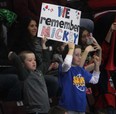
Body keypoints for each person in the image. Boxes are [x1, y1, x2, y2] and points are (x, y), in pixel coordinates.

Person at [8, 36, 50, 114]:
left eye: (34, 60)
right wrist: (11, 54)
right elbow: (17, 60)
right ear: (23, 64)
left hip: (46, 110)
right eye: (30, 60)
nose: (34, 62)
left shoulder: (39, 72)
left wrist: (43, 44)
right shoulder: (25, 75)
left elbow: (46, 61)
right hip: (34, 111)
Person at [58, 42, 100, 114]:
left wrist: (96, 66)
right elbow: (67, 63)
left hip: (81, 108)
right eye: (77, 55)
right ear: (69, 55)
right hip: (67, 108)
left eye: (80, 54)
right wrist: (71, 49)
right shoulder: (64, 68)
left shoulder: (81, 70)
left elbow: (95, 80)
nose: (80, 57)